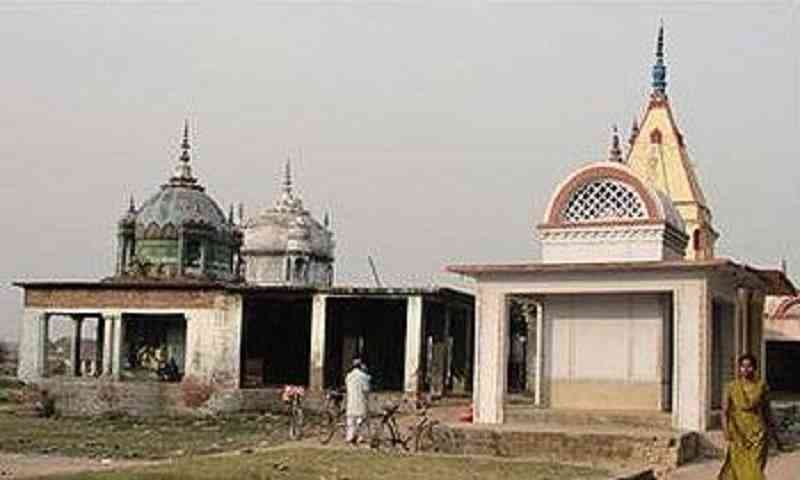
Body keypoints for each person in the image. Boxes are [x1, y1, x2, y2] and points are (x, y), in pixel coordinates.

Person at [718, 353, 782, 480]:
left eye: (749, 366)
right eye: (743, 366)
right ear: (739, 368)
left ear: (755, 368)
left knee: (755, 468)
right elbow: (725, 411)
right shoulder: (731, 387)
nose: (746, 369)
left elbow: (766, 411)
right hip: (737, 434)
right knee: (738, 467)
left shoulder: (761, 386)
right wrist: (726, 430)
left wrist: (775, 436)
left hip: (758, 434)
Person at [345, 358, 371, 444]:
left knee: (350, 420)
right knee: (361, 420)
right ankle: (360, 437)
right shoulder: (363, 376)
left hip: (351, 400)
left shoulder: (348, 376)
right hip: (360, 400)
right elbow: (366, 389)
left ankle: (350, 437)